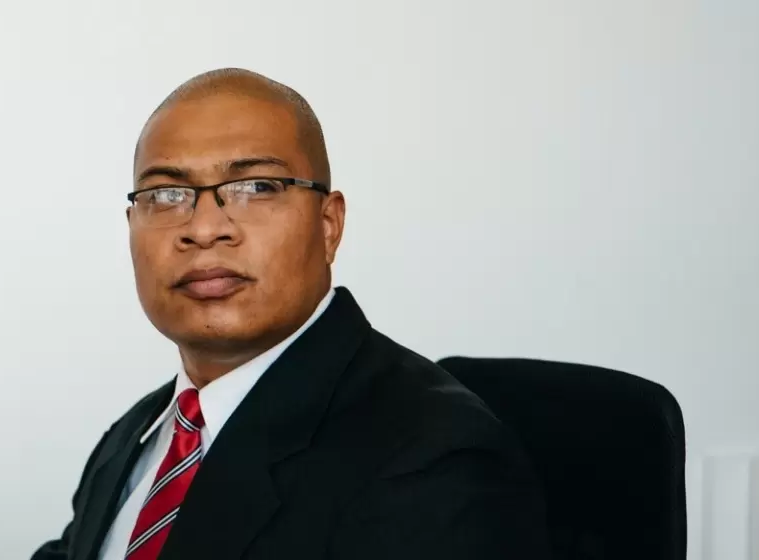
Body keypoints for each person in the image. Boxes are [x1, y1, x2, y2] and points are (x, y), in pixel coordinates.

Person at [32, 69, 551, 560]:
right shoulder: (139, 435)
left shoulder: (432, 458)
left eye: (256, 187)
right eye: (166, 195)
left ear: (329, 225)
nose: (205, 228)